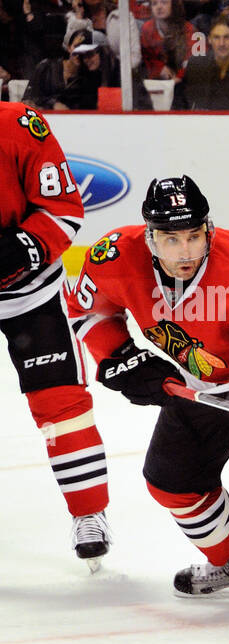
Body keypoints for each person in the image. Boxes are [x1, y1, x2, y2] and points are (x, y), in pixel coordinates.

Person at [63, 176, 229, 617]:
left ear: (209, 229)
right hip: (201, 386)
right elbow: (89, 310)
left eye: (194, 236)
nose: (185, 251)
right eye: (171, 239)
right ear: (150, 236)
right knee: (171, 481)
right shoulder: (113, 256)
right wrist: (120, 356)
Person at [0, 102, 109, 568]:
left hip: (31, 294)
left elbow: (63, 210)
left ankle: (90, 514)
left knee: (59, 403)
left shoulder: (19, 124)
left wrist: (18, 247)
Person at [140, 0, 199, 81]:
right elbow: (148, 57)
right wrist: (159, 68)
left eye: (164, 2)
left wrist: (179, 77)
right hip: (159, 79)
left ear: (174, 5)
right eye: (154, 4)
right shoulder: (146, 28)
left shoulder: (189, 30)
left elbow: (193, 62)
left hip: (186, 80)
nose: (159, 7)